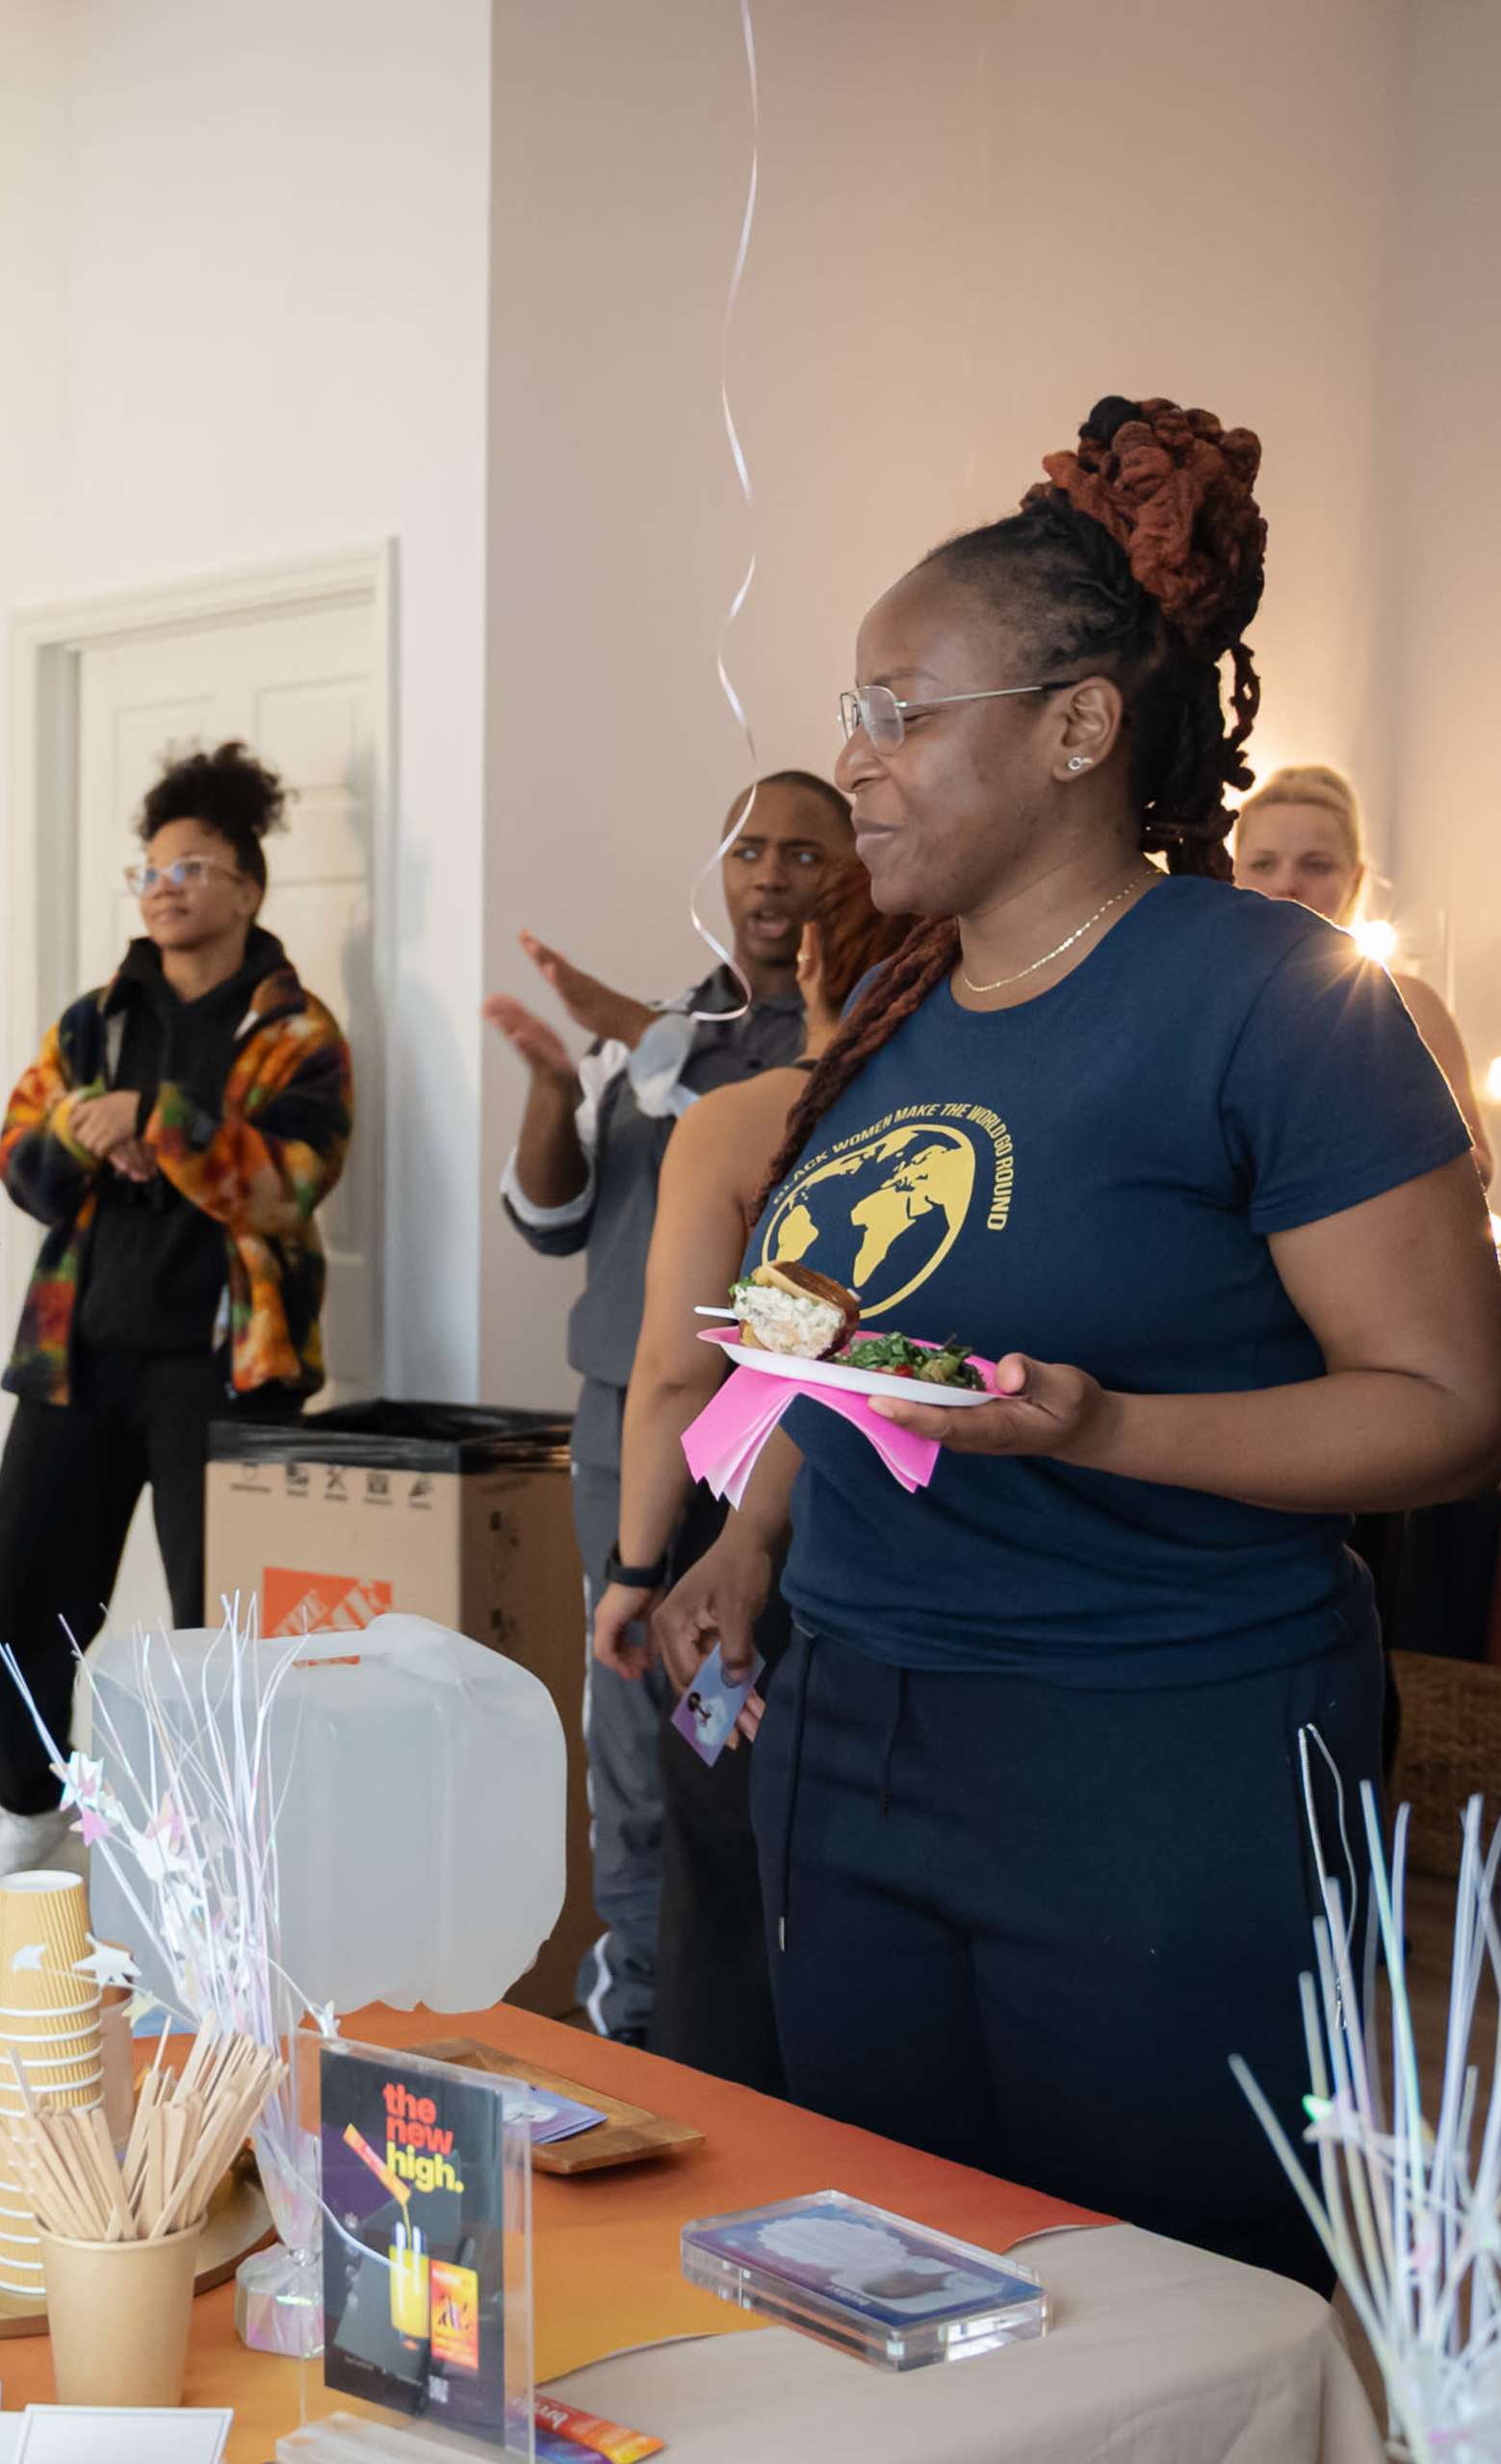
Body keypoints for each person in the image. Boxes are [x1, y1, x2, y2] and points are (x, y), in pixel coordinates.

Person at [648, 397, 1501, 2288]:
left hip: (1161, 1756)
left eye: (901, 711)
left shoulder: (1274, 1005)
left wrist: (1109, 1426)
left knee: (1158, 2301)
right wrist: (748, 1536)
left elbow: (1446, 1412)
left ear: (1076, 726)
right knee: (894, 2268)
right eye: (852, 710)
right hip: (860, 1730)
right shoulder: (894, 1016)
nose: (852, 764)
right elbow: (858, 1350)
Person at [488, 771, 910, 2057]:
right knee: (640, 1739)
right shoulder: (671, 1041)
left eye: (802, 852)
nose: (771, 879)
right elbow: (554, 1222)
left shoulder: (884, 1043)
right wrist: (559, 1087)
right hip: (631, 1440)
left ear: (858, 868)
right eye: (747, 851)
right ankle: (651, 2028)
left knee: (750, 1750)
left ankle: (756, 2032)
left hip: (784, 1440)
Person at [0, 742, 351, 1904]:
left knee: (215, 1622)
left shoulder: (296, 1028)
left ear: (247, 888)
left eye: (194, 864)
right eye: (151, 867)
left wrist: (161, 1124)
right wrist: (85, 1133)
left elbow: (294, 1180)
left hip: (229, 1369)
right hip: (79, 1354)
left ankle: (213, 1842)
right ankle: (23, 1810)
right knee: (18, 1581)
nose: (167, 884)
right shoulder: (94, 1019)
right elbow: (20, 1155)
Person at [1233, 762, 1494, 1183]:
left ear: (1354, 879)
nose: (1287, 884)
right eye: (1263, 864)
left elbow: (1476, 1169)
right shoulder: (1199, 1000)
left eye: (1316, 865)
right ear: (1233, 873)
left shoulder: (1406, 1003)